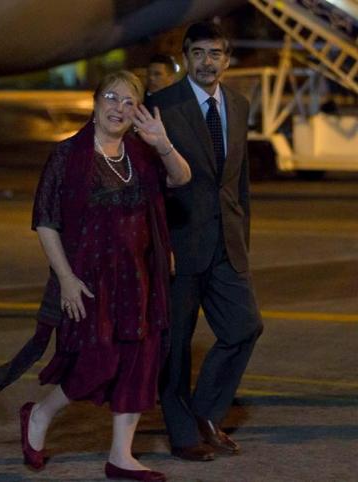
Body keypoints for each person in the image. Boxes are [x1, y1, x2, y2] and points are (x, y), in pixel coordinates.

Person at [0, 70, 190, 482]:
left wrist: (162, 143)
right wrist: (65, 278)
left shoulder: (143, 154)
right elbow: (46, 222)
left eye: (128, 101)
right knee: (96, 362)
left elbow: (182, 177)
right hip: (89, 278)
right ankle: (40, 413)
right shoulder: (67, 156)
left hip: (139, 278)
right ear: (95, 102)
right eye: (111, 98)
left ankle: (121, 455)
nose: (118, 108)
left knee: (139, 360)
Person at [146, 22, 264, 462]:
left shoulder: (238, 103)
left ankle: (205, 412)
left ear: (227, 59)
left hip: (226, 244)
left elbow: (240, 182)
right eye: (198, 53)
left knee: (244, 326)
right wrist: (159, 246)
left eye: (215, 53)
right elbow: (151, 185)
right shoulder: (161, 104)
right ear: (185, 56)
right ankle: (183, 435)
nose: (207, 62)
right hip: (179, 246)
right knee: (175, 347)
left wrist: (242, 242)